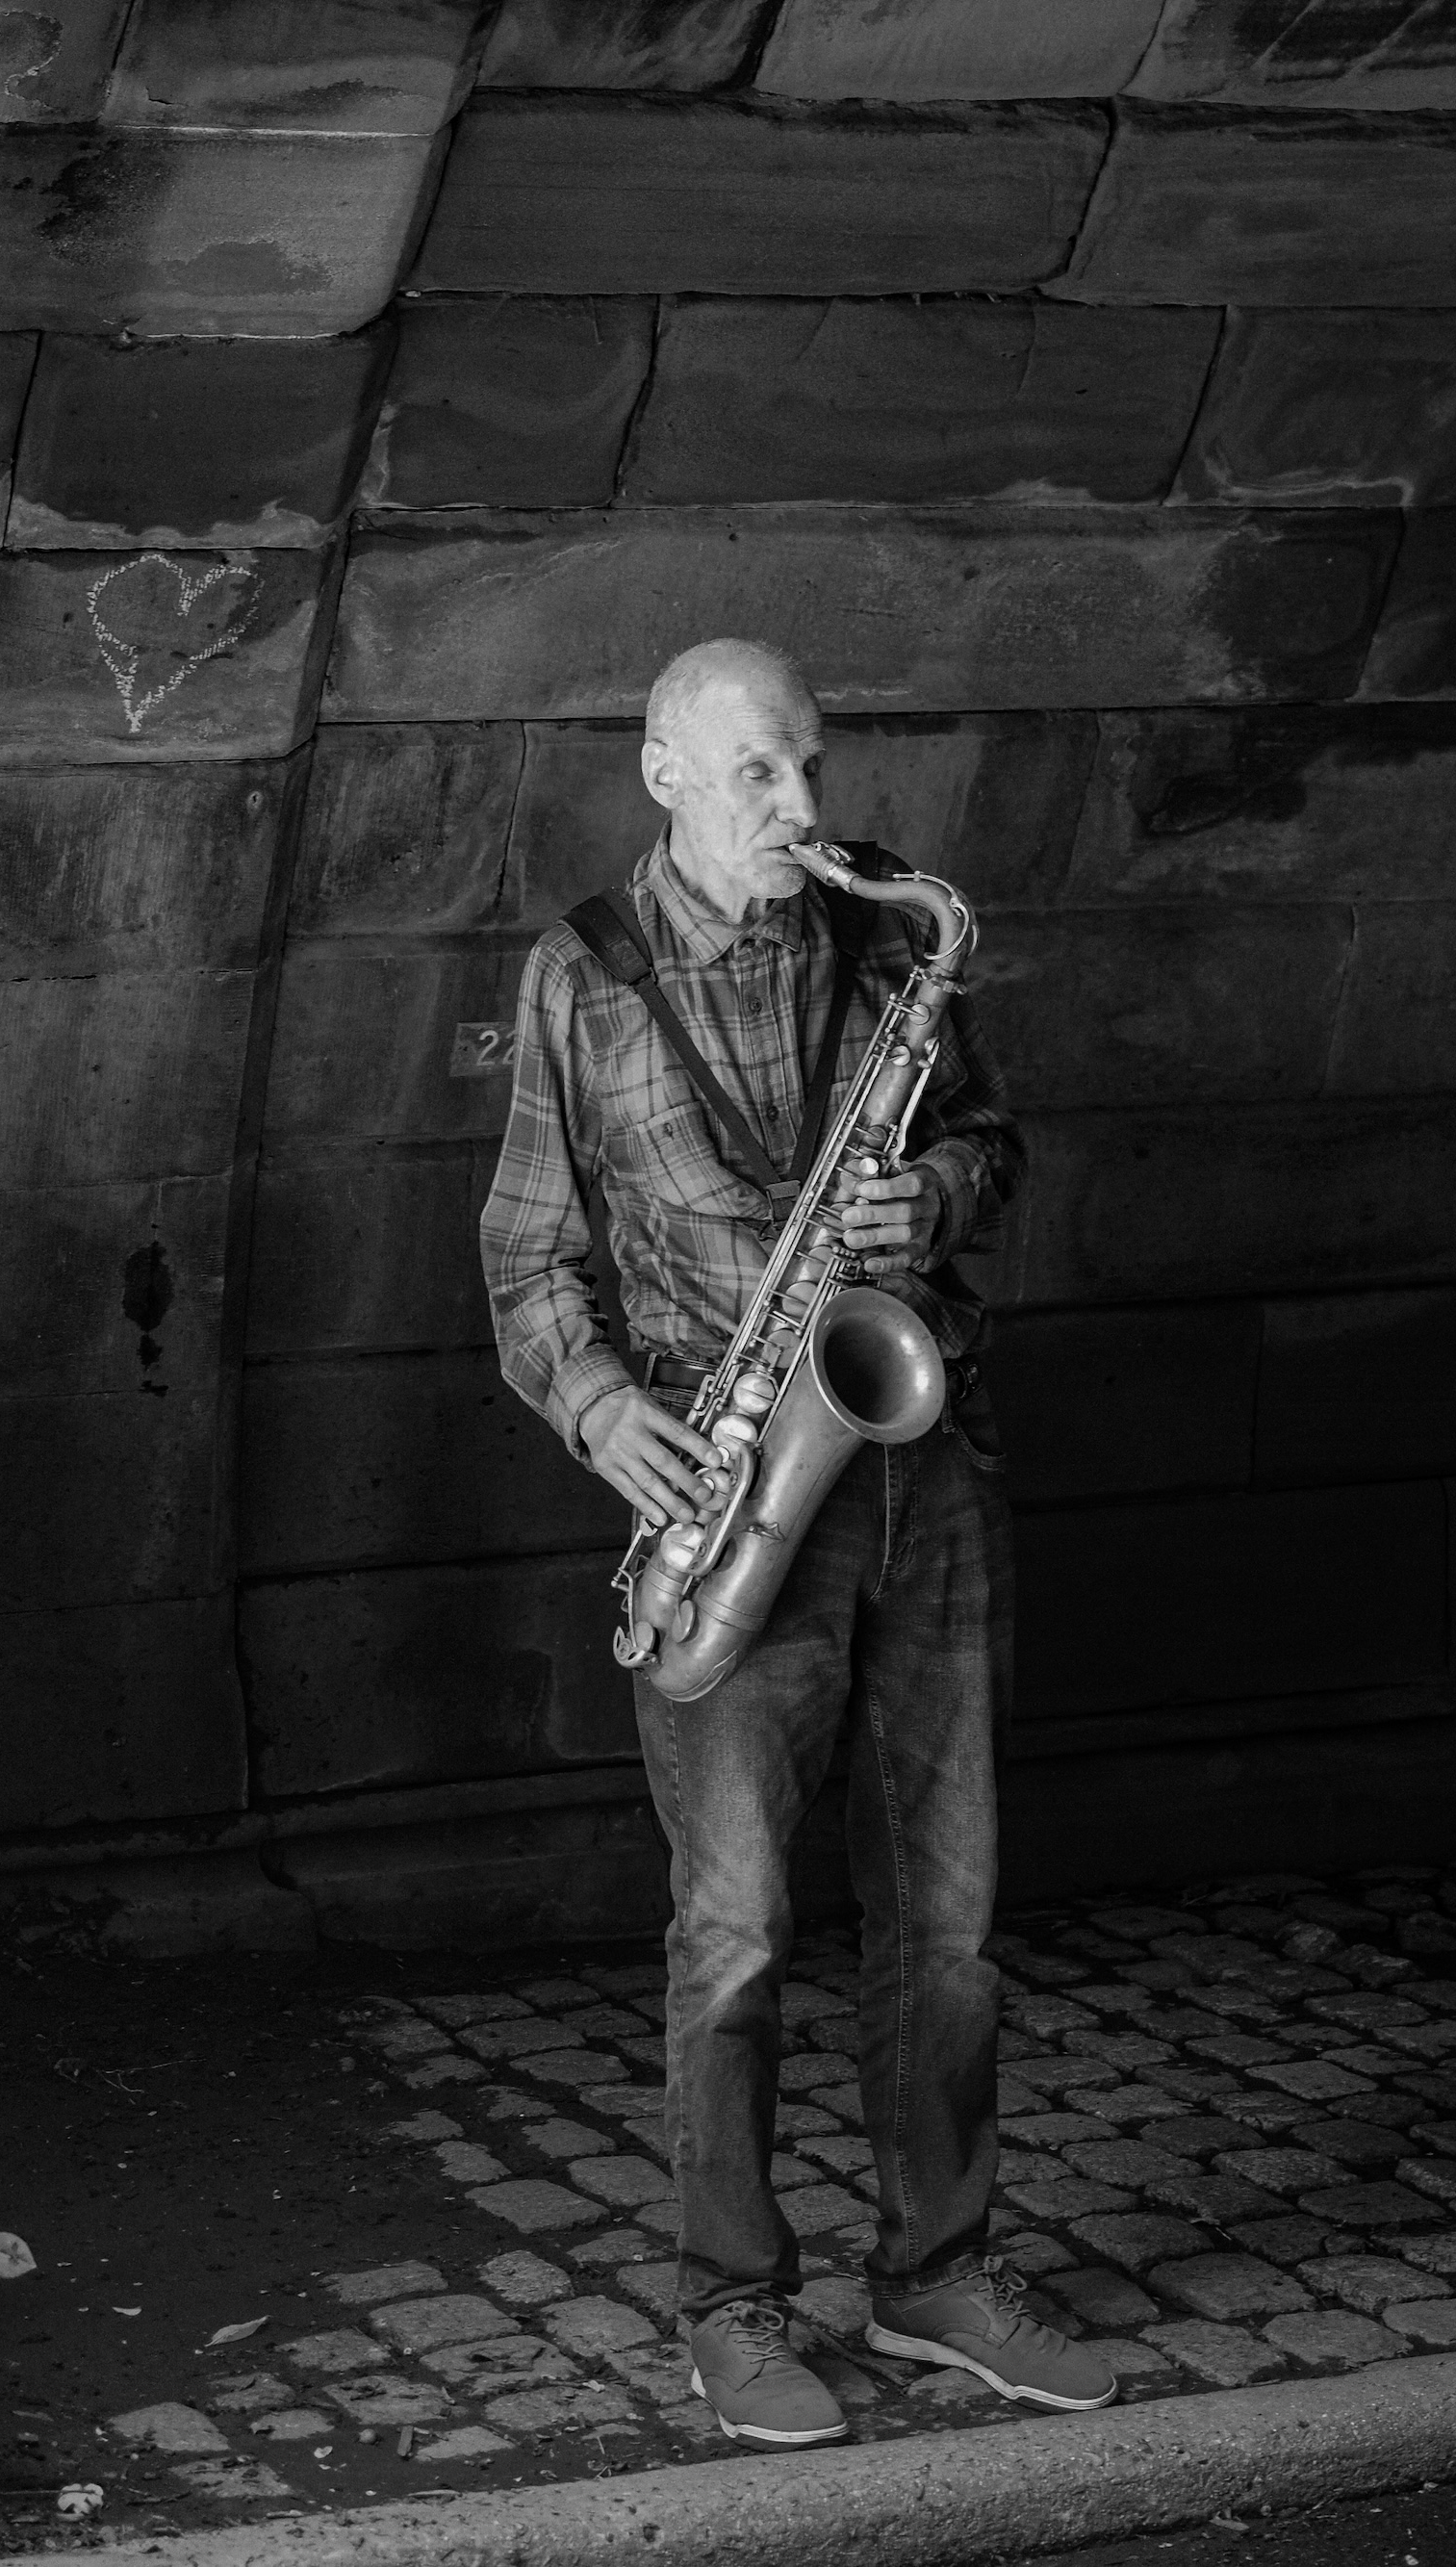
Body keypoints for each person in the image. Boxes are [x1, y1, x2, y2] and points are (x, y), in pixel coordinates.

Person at [480, 638, 1115, 2447]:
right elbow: (527, 1259)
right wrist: (605, 1417)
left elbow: (991, 1138)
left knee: (952, 1917)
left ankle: (936, 2273)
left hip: (924, 1460)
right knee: (741, 1929)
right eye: (762, 771)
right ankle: (734, 2302)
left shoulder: (891, 944)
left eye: (813, 767)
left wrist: (942, 1193)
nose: (803, 806)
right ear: (667, 771)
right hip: (731, 1479)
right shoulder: (581, 977)